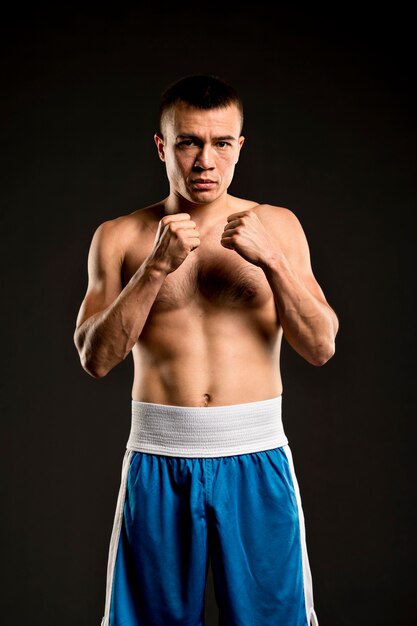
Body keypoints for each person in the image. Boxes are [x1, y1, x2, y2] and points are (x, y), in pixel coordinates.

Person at [74, 74, 338, 626]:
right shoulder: (120, 236)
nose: (204, 161)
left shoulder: (279, 227)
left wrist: (275, 263)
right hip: (159, 457)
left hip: (256, 455)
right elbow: (95, 358)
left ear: (240, 147)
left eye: (221, 143)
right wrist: (154, 269)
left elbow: (320, 346)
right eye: (189, 141)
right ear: (162, 146)